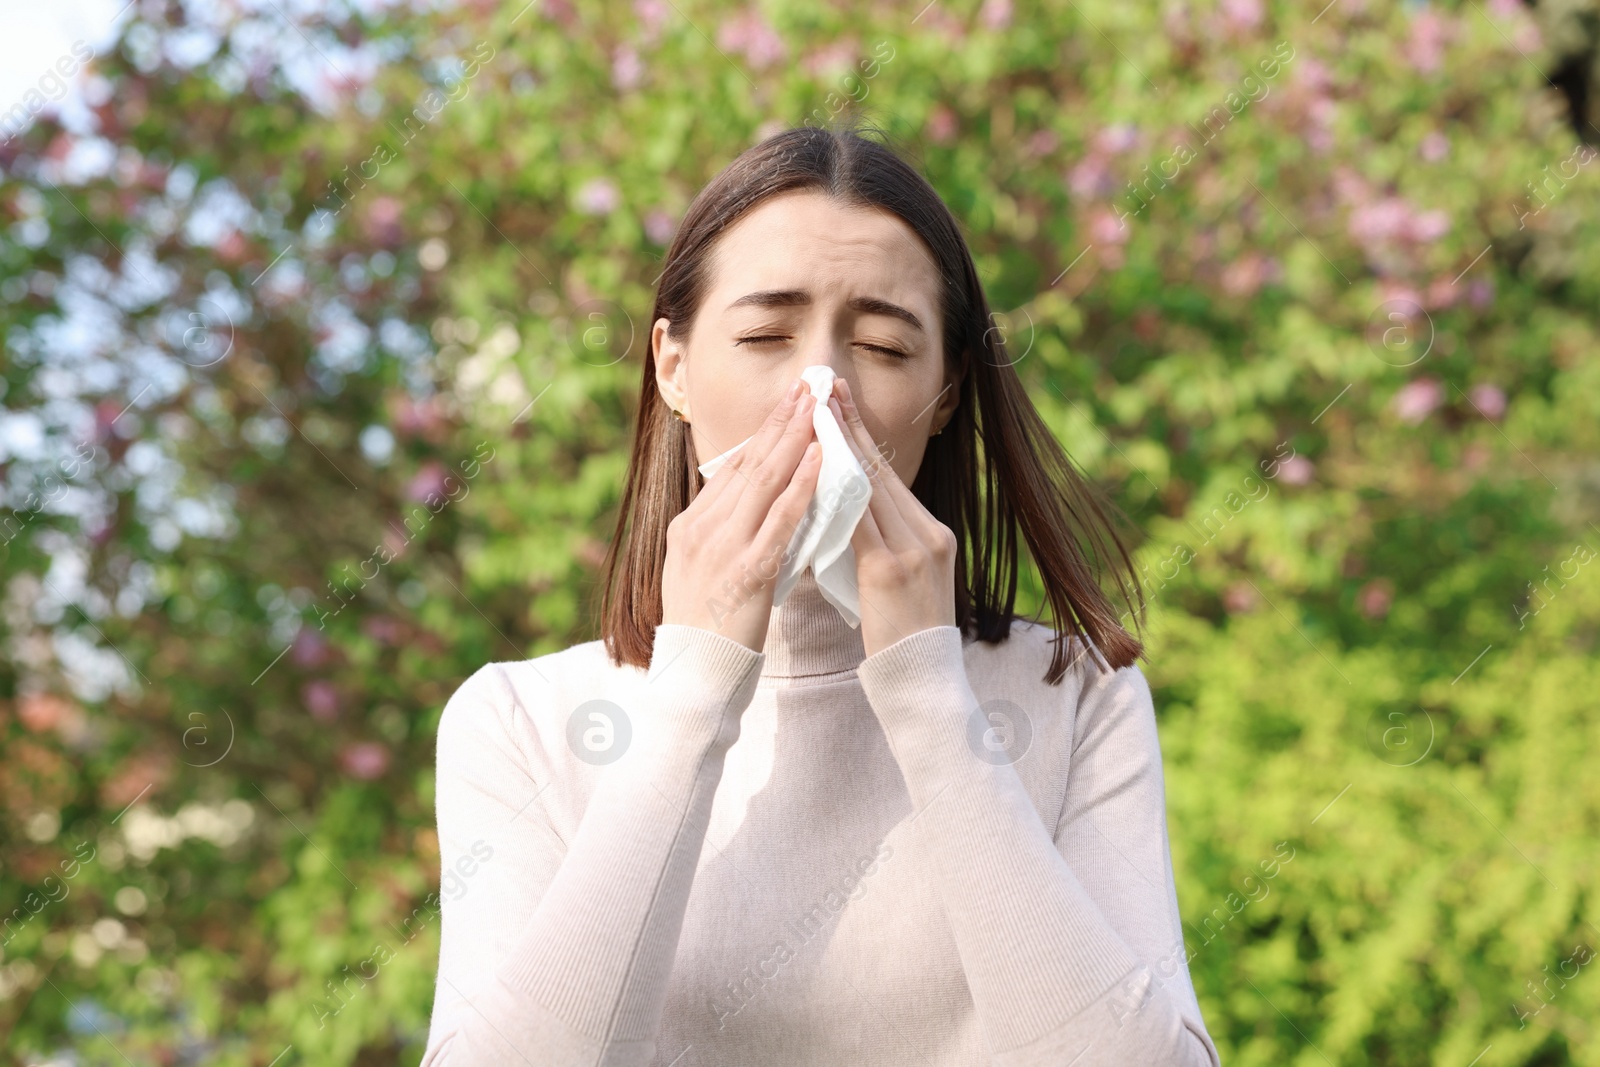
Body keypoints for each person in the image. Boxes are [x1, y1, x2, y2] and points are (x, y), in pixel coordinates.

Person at [421, 121, 1221, 1066]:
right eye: (765, 334)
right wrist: (692, 688)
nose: (822, 389)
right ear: (672, 368)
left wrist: (926, 690)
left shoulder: (1075, 697)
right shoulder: (520, 721)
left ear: (950, 391)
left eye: (882, 347)